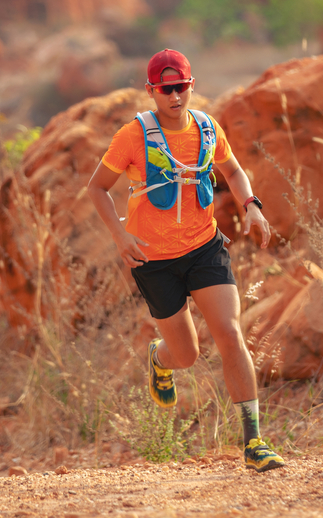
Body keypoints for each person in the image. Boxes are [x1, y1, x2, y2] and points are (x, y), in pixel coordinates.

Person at [86, 49, 286, 473]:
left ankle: (254, 442)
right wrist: (120, 236)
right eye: (165, 89)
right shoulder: (133, 136)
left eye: (181, 87)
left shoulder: (208, 129)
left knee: (230, 331)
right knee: (187, 354)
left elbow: (232, 170)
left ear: (192, 86)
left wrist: (251, 204)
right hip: (154, 261)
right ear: (151, 91)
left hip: (204, 248)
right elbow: (97, 188)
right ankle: (160, 359)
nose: (174, 96)